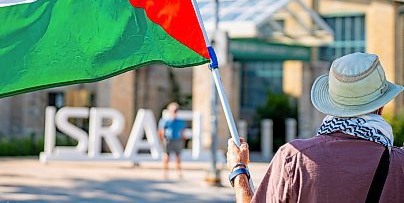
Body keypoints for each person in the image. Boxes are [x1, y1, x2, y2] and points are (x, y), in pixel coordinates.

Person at [227, 52, 403, 202]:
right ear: (381, 107)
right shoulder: (399, 164)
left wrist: (239, 171)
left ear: (332, 104)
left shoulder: (294, 157)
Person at [158, 102, 186, 179]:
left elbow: (183, 131)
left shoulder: (180, 121)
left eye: (176, 110)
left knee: (178, 157)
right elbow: (161, 131)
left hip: (177, 140)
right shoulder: (165, 121)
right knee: (166, 157)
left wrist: (183, 139)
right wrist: (162, 140)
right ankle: (165, 173)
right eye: (173, 110)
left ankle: (179, 172)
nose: (174, 112)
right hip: (168, 140)